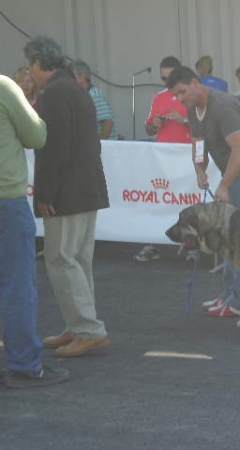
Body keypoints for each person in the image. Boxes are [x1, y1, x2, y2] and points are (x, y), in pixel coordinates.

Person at [24, 36, 110, 357]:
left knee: (61, 259)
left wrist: (45, 193)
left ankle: (87, 329)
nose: (29, 73)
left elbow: (53, 148)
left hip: (66, 193)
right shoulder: (75, 87)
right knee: (78, 260)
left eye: (30, 66)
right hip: (87, 190)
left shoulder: (55, 93)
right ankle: (79, 325)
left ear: (36, 62)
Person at [167, 66, 240, 318]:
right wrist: (200, 170)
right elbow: (197, 144)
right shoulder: (194, 109)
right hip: (239, 172)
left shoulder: (222, 106)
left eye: (182, 92)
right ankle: (231, 294)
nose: (180, 99)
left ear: (195, 82)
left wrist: (224, 185)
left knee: (238, 238)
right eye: (177, 96)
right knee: (229, 236)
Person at [0, 74, 70, 388]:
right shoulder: (4, 87)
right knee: (17, 285)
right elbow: (37, 135)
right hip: (6, 200)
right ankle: (24, 364)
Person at [136, 56, 192, 262]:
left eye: (170, 78)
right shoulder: (158, 97)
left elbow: (206, 125)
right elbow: (148, 127)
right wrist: (155, 124)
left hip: (187, 154)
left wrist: (183, 120)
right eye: (163, 78)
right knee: (159, 199)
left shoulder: (190, 95)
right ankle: (153, 243)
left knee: (187, 201)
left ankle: (191, 245)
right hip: (162, 156)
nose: (166, 82)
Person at [67, 59, 118, 140]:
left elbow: (107, 122)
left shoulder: (94, 96)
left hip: (102, 149)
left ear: (82, 76)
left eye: (71, 76)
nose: (69, 79)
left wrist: (101, 143)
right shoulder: (84, 95)